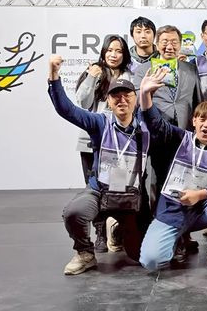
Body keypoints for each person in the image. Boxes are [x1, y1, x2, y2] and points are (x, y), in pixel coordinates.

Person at [48, 55, 151, 275]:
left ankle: (118, 230)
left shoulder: (146, 128)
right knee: (74, 212)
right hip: (100, 191)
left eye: (127, 95)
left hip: (131, 197)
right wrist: (54, 75)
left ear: (135, 99)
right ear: (109, 101)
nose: (122, 100)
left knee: (142, 256)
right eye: (116, 96)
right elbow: (67, 110)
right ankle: (85, 253)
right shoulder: (100, 123)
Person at [138, 68, 207, 273]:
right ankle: (175, 239)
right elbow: (155, 123)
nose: (206, 125)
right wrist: (144, 95)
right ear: (193, 121)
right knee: (152, 262)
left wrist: (201, 195)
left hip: (201, 212)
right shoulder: (178, 138)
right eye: (202, 120)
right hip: (172, 212)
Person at [74, 35, 133, 252]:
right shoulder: (94, 72)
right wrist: (91, 77)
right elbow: (82, 103)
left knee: (116, 188)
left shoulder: (129, 76)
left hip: (119, 144)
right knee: (94, 189)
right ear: (103, 52)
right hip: (91, 143)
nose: (113, 55)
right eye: (110, 50)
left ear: (124, 55)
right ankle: (99, 232)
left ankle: (115, 230)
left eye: (118, 51)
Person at [132, 25, 202, 130]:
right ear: (157, 45)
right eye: (165, 42)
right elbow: (136, 103)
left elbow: (198, 101)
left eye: (174, 42)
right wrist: (146, 91)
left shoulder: (191, 69)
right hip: (155, 128)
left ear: (180, 45)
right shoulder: (143, 70)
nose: (169, 47)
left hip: (186, 129)